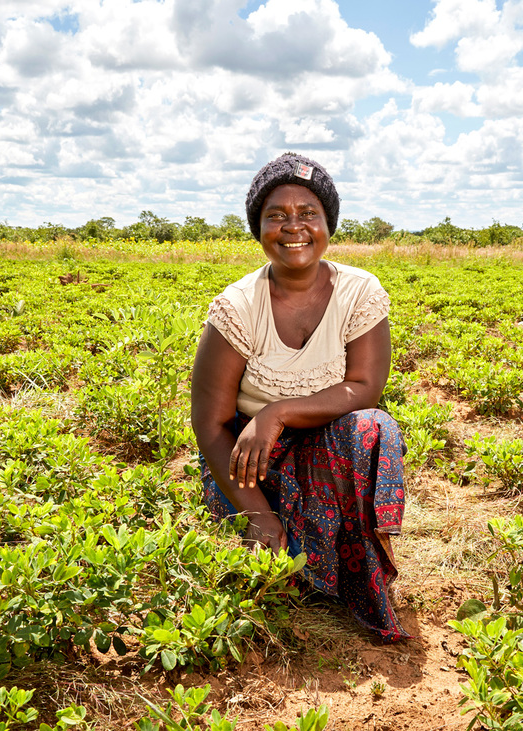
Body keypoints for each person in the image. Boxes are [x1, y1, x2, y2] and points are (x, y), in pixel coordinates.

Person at [190, 152, 410, 642]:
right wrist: (260, 517)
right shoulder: (235, 307)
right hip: (250, 463)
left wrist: (279, 411)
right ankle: (285, 544)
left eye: (309, 213)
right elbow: (209, 424)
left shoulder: (360, 292)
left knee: (374, 427)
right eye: (277, 215)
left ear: (328, 223)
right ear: (259, 228)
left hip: (324, 451)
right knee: (266, 575)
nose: (294, 227)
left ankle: (361, 577)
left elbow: (364, 388)